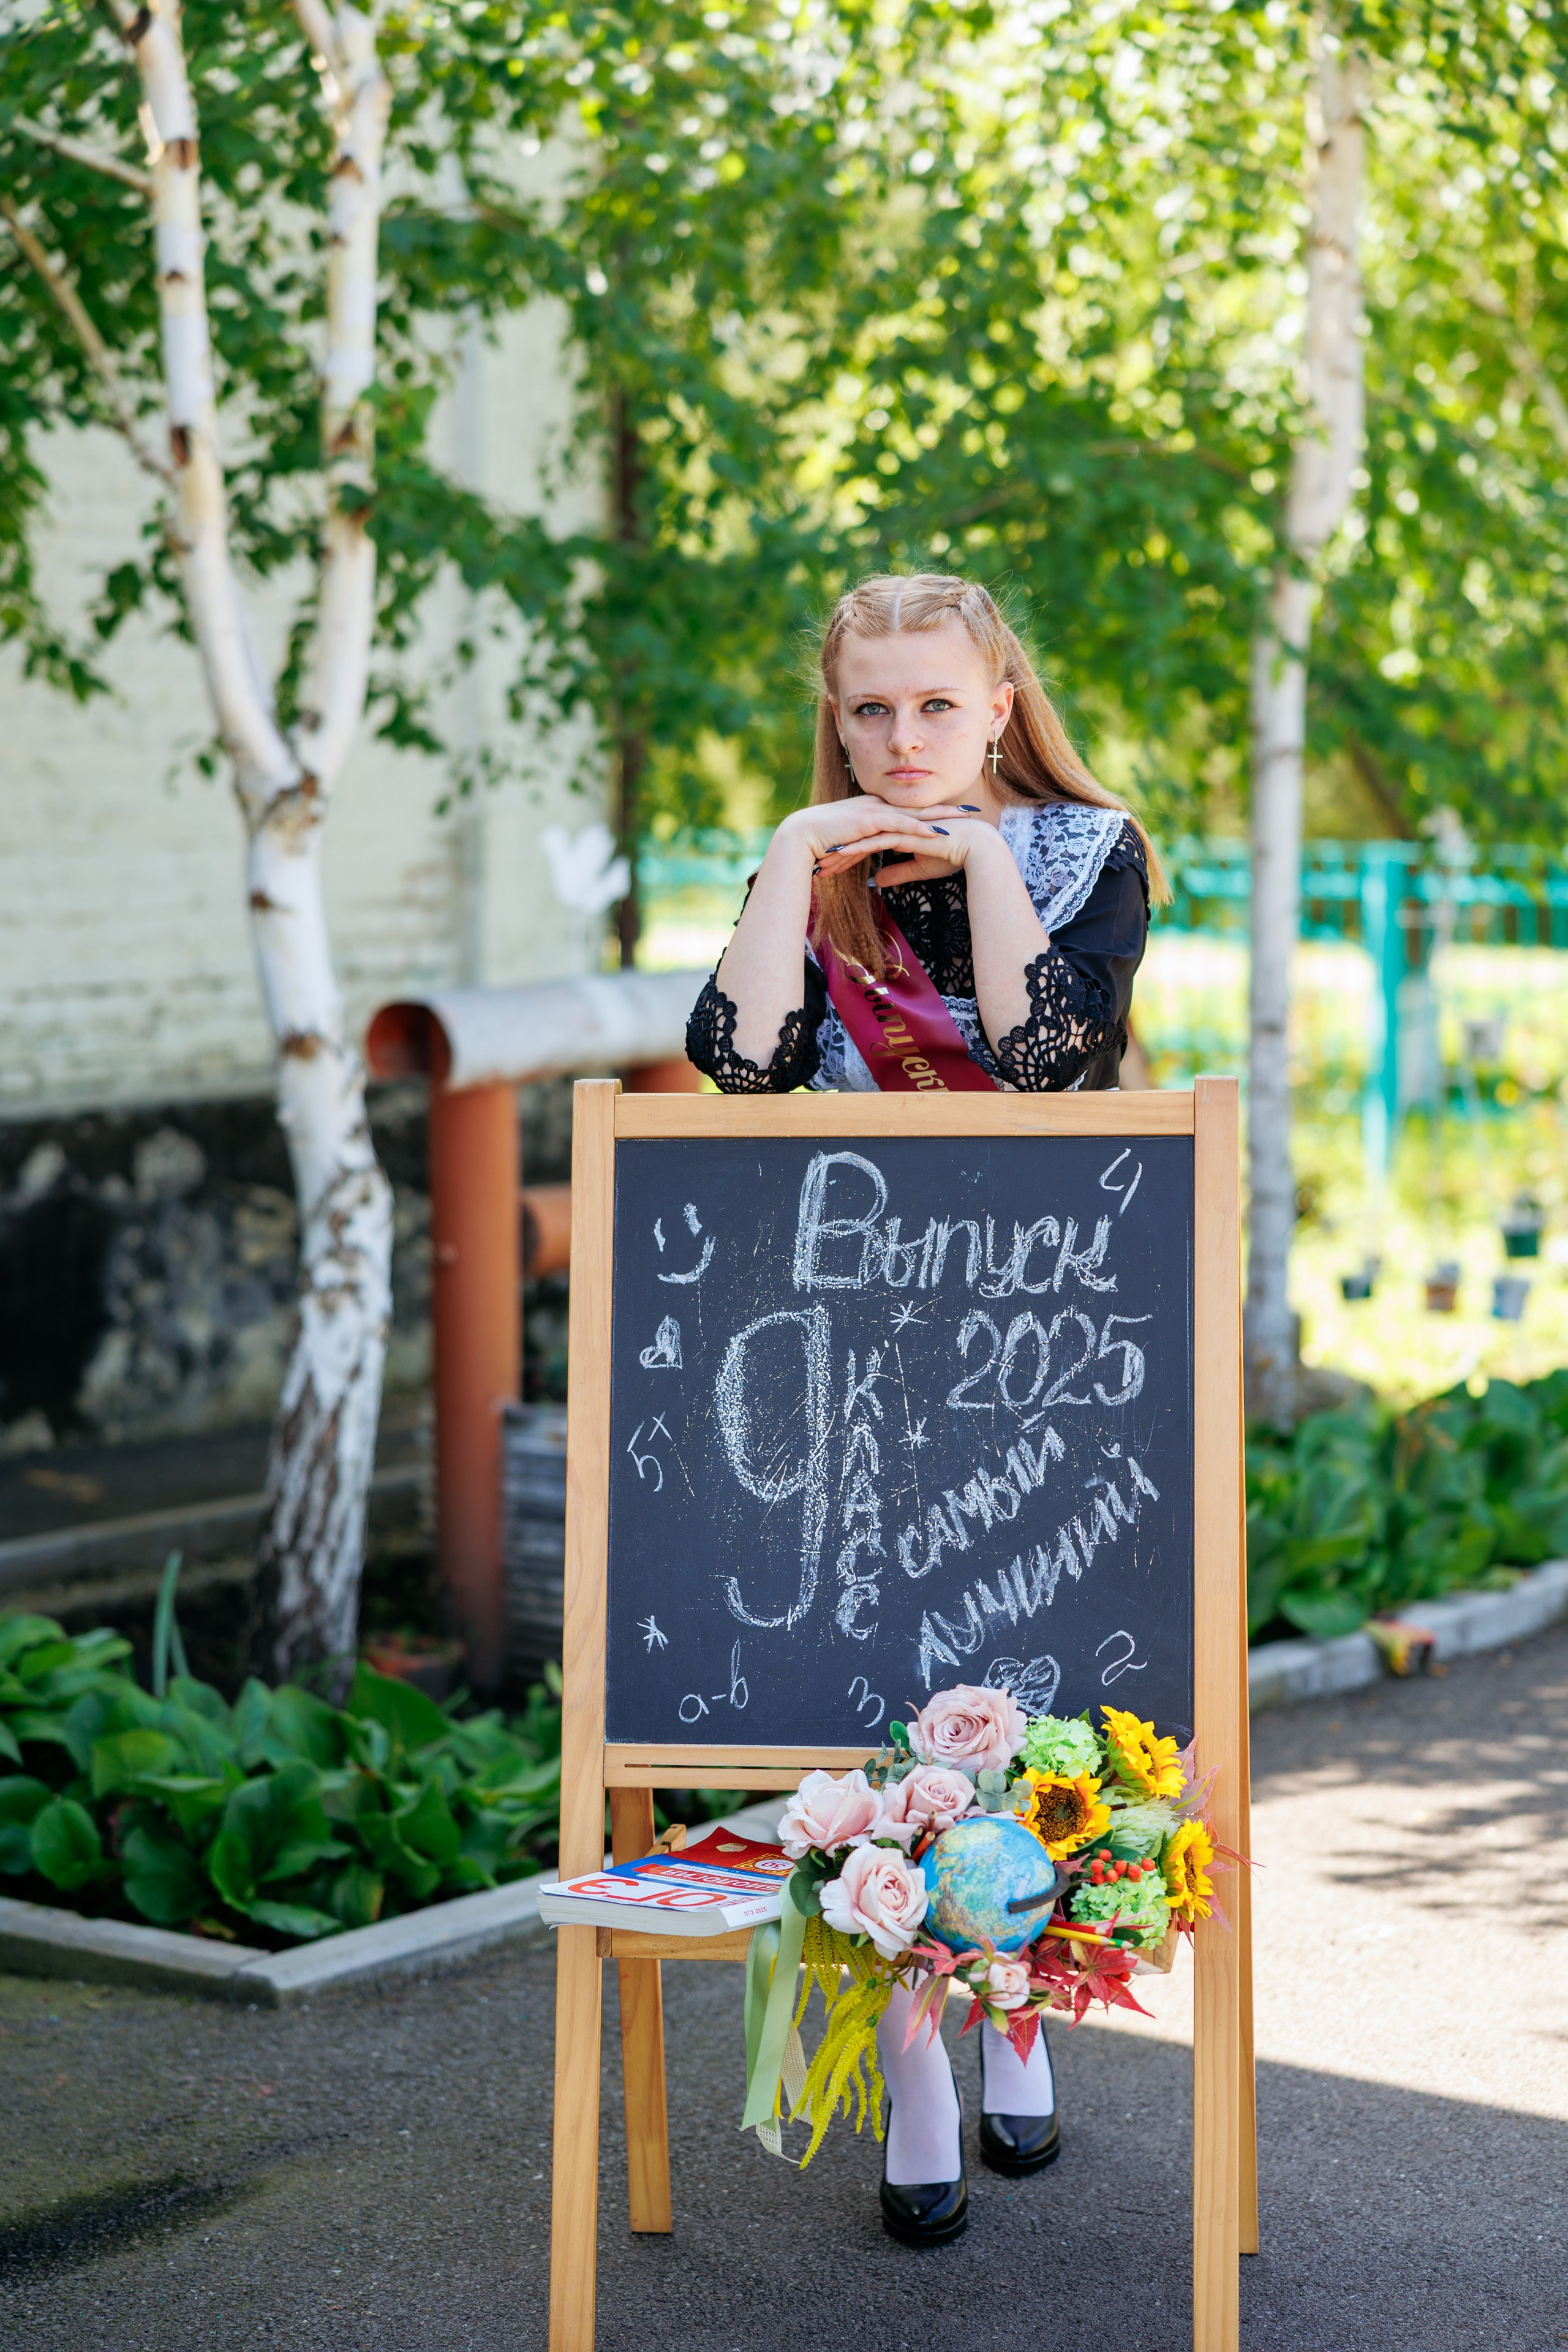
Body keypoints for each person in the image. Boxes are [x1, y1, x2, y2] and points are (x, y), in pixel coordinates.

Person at [687, 571, 1167, 2245]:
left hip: (1046, 1340)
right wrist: (780, 867)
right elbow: (744, 1071)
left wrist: (971, 858)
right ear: (836, 709)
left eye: (937, 708)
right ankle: (917, 2068)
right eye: (870, 709)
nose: (902, 740)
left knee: (1022, 1718)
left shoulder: (1083, 859)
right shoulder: (813, 869)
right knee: (871, 1713)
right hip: (857, 1336)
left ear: (1001, 703)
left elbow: (1047, 1067)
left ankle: (1021, 2012)